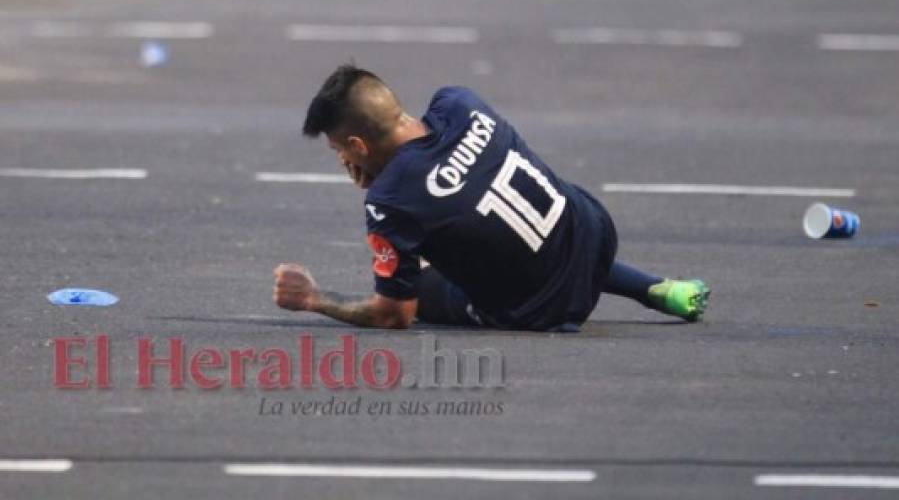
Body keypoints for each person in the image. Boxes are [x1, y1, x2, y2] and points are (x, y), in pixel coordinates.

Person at [273, 64, 709, 331]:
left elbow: (394, 314)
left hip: (547, 307)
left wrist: (315, 299)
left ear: (359, 146)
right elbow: (444, 174)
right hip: (592, 233)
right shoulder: (460, 102)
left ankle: (645, 290)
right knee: (509, 229)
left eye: (339, 150)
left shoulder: (391, 201)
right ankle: (659, 289)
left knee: (422, 282)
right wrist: (391, 181)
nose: (341, 160)